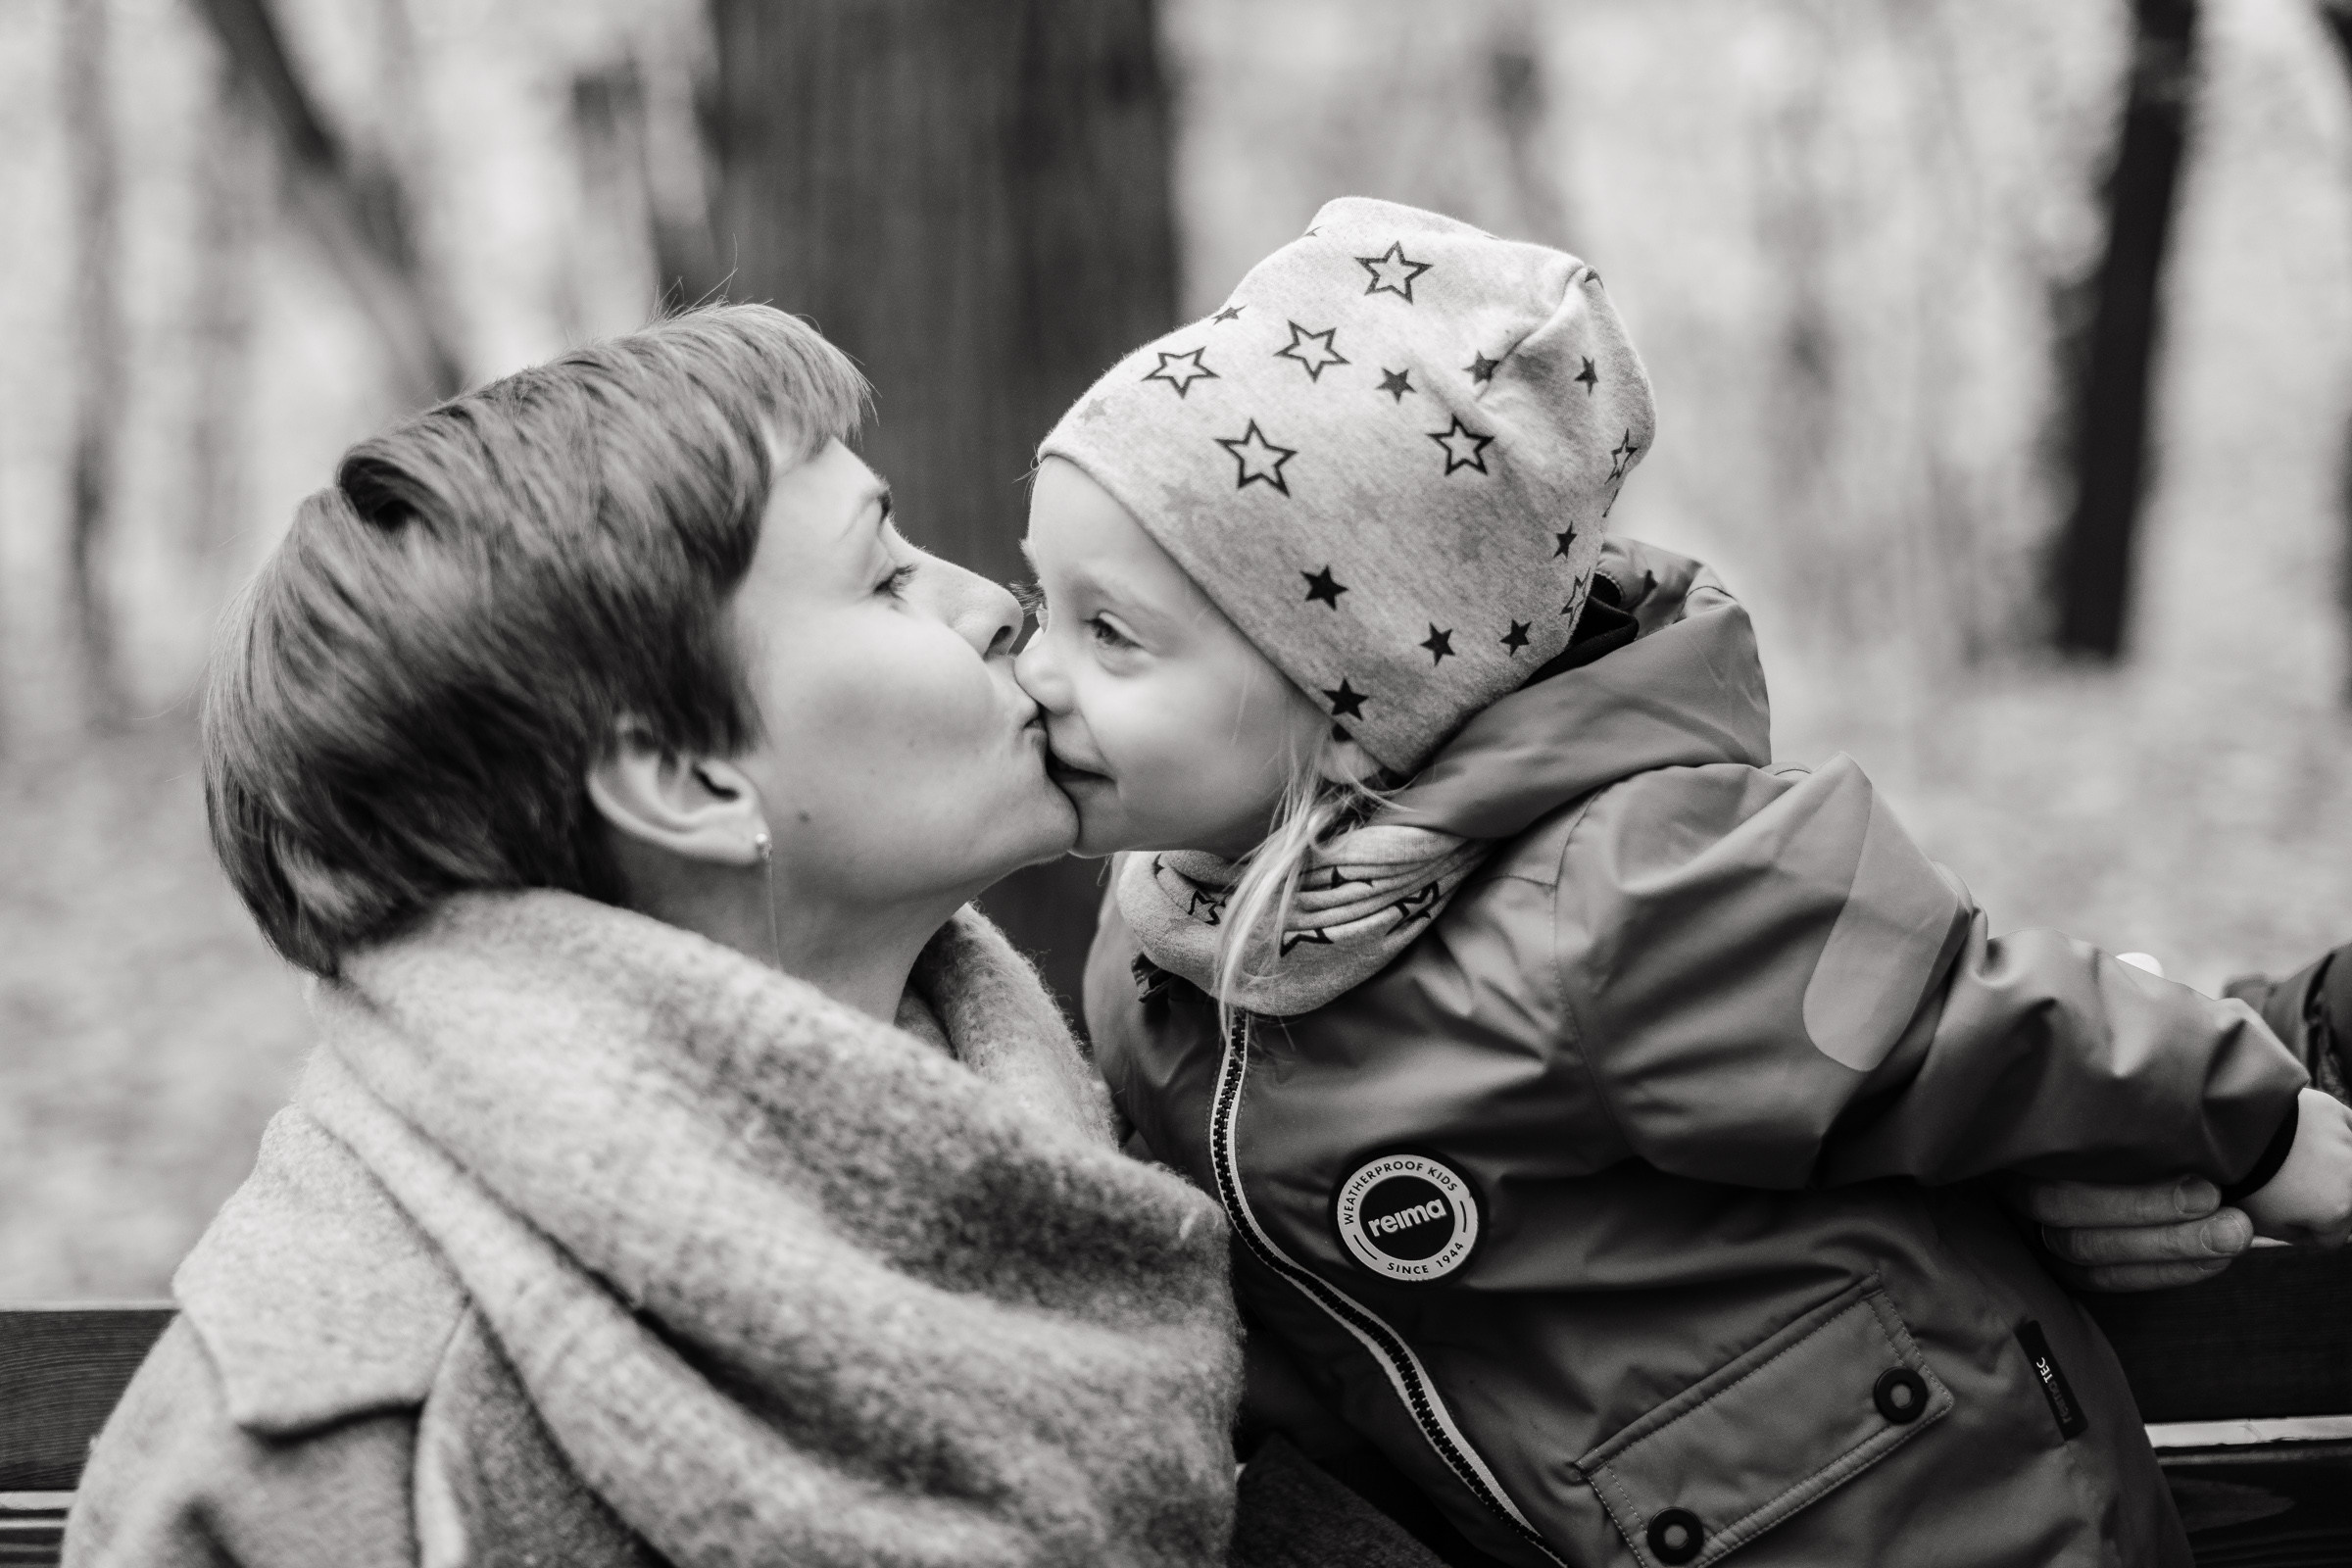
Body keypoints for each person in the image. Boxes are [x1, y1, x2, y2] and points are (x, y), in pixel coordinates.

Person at [1014, 197, 2352, 1568]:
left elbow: (1966, 1013)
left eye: (1111, 633)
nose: (1034, 669)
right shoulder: (1167, 959)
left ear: (1351, 694)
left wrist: (2251, 1122)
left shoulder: (1622, 892)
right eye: (1038, 600)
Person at [65, 305, 1447, 1568]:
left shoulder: (1121, 1144)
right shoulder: (332, 1452)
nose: (989, 604)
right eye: (886, 581)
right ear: (686, 777)